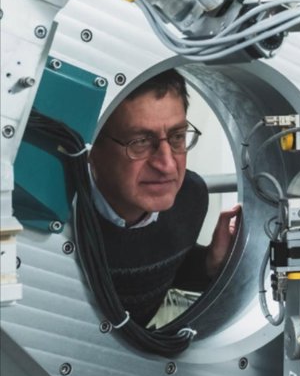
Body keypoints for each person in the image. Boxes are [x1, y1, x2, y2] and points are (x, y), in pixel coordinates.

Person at [89, 69, 240, 326]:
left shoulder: (189, 197)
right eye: (140, 142)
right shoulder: (61, 215)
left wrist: (209, 264)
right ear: (93, 149)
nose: (168, 165)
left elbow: (160, 266)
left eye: (177, 137)